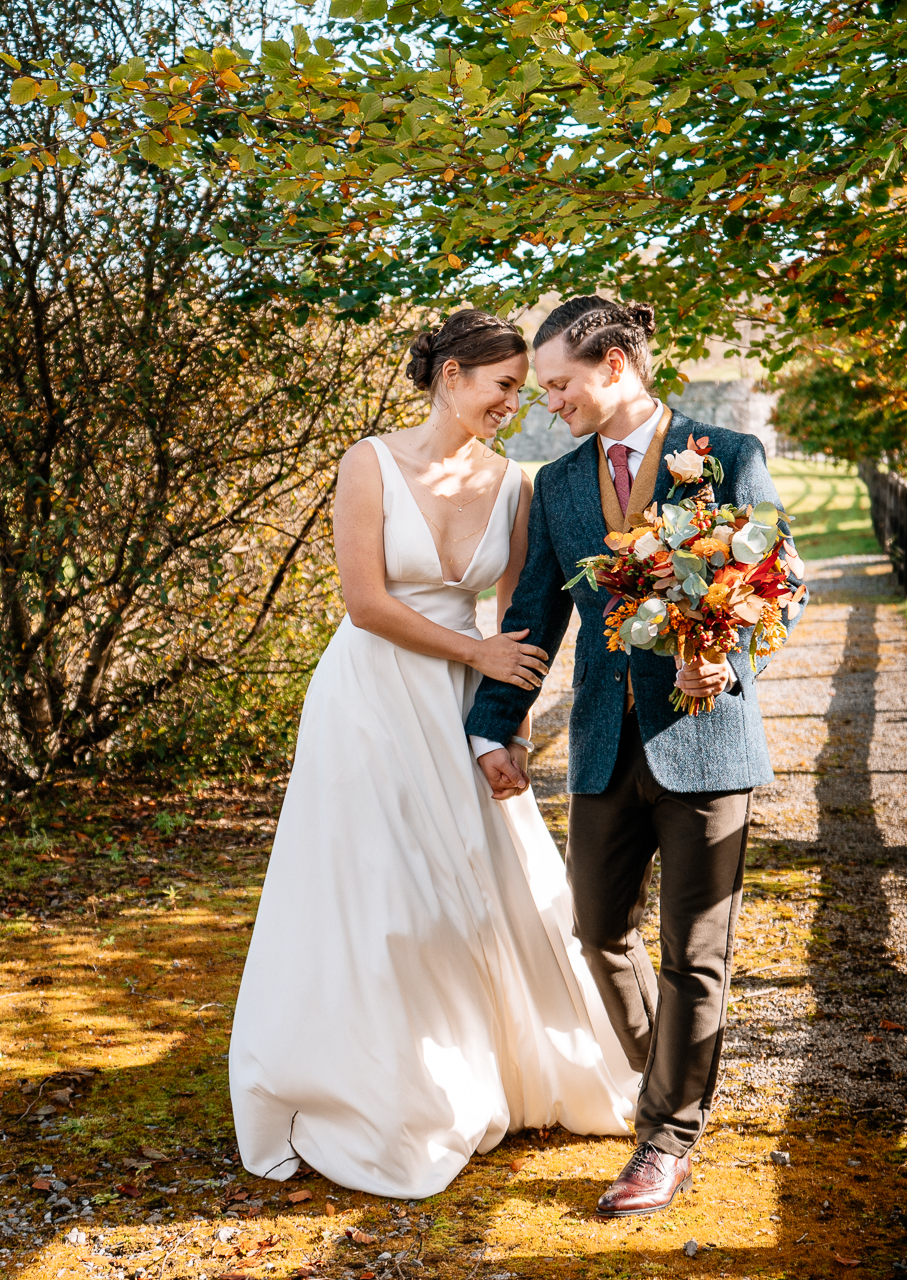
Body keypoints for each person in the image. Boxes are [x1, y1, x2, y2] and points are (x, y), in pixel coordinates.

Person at [228, 308, 639, 1200]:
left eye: (526, 393)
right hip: (372, 697)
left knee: (485, 890)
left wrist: (508, 726)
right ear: (451, 375)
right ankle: (378, 1083)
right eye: (503, 389)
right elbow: (366, 602)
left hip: (464, 703)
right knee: (380, 891)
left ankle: (488, 1065)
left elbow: (522, 615)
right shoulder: (368, 464)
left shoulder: (517, 484)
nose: (514, 407)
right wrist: (475, 653)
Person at [466, 295, 806, 1218]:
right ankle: (671, 1086)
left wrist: (724, 654)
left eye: (561, 384)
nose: (550, 405)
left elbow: (785, 582)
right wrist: (496, 725)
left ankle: (666, 1138)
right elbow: (535, 612)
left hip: (709, 745)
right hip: (603, 748)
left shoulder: (726, 456)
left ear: (615, 362)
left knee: (697, 957)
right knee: (598, 933)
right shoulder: (561, 482)